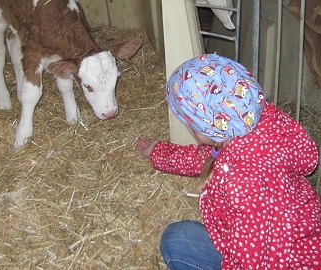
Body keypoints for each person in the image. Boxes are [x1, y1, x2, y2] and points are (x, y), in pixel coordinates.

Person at [137, 54, 321, 270]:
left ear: (204, 126)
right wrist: (159, 152)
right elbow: (211, 159)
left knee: (176, 245)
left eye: (188, 122)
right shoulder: (255, 126)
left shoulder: (247, 184)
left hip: (282, 262)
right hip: (291, 245)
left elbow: (252, 260)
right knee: (178, 238)